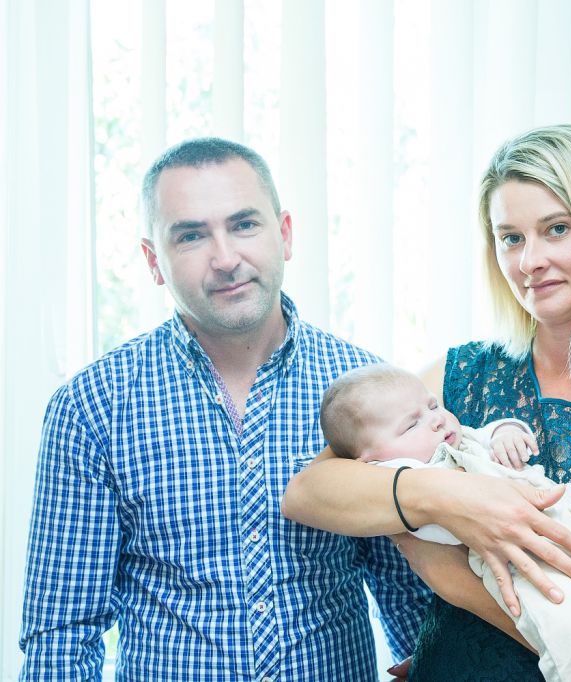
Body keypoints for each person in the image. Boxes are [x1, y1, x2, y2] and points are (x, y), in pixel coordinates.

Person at [283, 123, 571, 681]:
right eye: (511, 238)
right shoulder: (467, 371)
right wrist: (448, 498)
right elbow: (308, 493)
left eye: (556, 229)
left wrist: (452, 577)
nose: (529, 262)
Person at [19, 138, 430, 681]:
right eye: (191, 235)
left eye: (244, 225)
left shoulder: (367, 389)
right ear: (154, 261)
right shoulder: (93, 405)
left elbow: (410, 598)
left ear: (285, 234)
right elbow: (61, 636)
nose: (226, 258)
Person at [319, 363, 571, 682]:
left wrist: (507, 432)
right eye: (412, 424)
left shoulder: (457, 439)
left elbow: (487, 433)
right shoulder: (405, 474)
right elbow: (313, 490)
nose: (436, 420)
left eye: (434, 405)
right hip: (531, 568)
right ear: (372, 462)